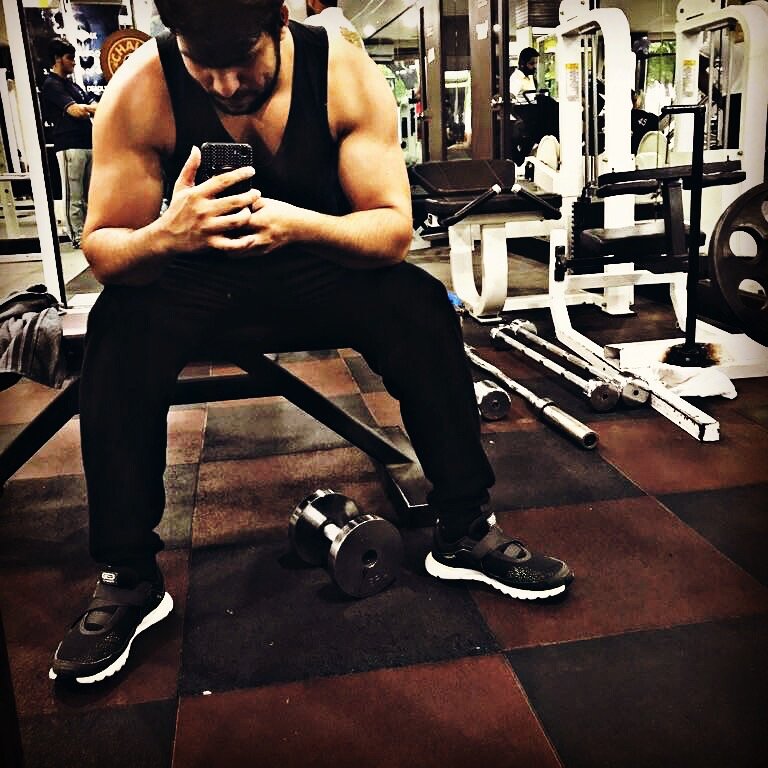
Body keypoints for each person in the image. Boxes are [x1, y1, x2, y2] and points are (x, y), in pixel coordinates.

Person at [48, 0, 573, 686]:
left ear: (279, 24)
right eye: (204, 67)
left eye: (244, 63)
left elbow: (392, 230)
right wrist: (168, 235)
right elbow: (104, 248)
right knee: (119, 327)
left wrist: (297, 224)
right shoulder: (142, 88)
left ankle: (464, 529)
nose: (227, 86)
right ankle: (129, 575)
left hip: (315, 262)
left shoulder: (341, 71)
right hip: (193, 275)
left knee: (419, 306)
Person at [40, 37, 97, 249]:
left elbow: (93, 105)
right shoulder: (51, 85)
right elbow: (76, 111)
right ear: (57, 59)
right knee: (74, 195)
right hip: (69, 145)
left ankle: (89, 233)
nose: (73, 61)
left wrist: (90, 108)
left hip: (87, 143)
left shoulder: (74, 86)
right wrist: (90, 109)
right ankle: (77, 236)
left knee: (90, 194)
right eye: (69, 57)